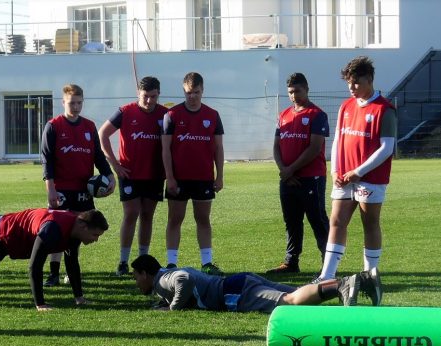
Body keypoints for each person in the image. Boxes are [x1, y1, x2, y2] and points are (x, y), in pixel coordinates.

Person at [317, 56, 397, 282]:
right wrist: (334, 170)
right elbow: (338, 140)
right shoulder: (346, 106)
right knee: (336, 221)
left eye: (356, 83)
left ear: (369, 79)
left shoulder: (384, 109)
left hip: (370, 178)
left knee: (369, 223)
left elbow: (387, 147)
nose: (352, 88)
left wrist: (359, 171)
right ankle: (327, 276)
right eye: (349, 83)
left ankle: (370, 276)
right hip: (344, 177)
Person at [41, 83, 114, 286]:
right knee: (56, 230)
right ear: (63, 102)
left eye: (79, 103)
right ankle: (53, 273)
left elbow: (98, 156)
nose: (76, 107)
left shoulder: (89, 126)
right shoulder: (53, 126)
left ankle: (70, 270)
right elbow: (46, 160)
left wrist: (110, 175)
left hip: (83, 189)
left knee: (79, 229)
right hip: (61, 189)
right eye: (72, 103)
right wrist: (51, 189)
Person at [130, 254, 381, 313]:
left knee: (290, 302)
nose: (135, 282)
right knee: (297, 294)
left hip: (233, 291)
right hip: (237, 282)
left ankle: (341, 286)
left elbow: (184, 280)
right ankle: (362, 280)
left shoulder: (162, 279)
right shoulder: (163, 277)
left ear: (144, 273)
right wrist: (164, 304)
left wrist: (173, 308)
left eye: (135, 276)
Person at [98, 76, 168, 276]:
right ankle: (123, 261)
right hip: (129, 173)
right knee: (131, 214)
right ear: (138, 93)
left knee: (147, 216)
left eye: (153, 97)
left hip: (155, 174)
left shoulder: (165, 114)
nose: (149, 101)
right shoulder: (125, 112)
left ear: (158, 94)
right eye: (145, 96)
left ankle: (142, 260)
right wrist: (114, 164)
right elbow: (102, 134)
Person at [161, 72, 224, 275]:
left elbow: (218, 148)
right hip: (178, 178)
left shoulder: (212, 115)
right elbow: (166, 149)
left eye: (196, 92)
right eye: (189, 93)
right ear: (184, 90)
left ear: (202, 90)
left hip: (203, 177)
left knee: (203, 219)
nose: (192, 97)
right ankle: (171, 263)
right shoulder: (172, 115)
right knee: (175, 218)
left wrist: (219, 175)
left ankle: (207, 262)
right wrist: (169, 177)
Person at [268, 73, 330, 274]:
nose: (294, 96)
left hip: (311, 178)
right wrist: (283, 170)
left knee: (317, 220)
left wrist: (290, 169)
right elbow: (276, 146)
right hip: (288, 179)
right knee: (292, 221)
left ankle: (328, 264)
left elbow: (314, 148)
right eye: (290, 92)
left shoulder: (317, 115)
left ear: (307, 89)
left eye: (297, 91)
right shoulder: (284, 115)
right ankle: (291, 261)